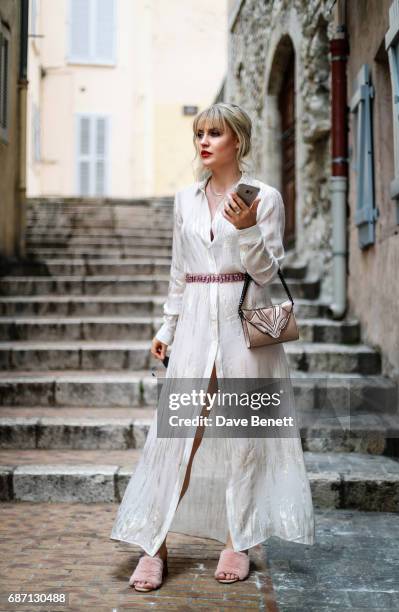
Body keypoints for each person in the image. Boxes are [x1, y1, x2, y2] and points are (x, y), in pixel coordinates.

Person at [110, 102, 315, 592]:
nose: (203, 141)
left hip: (245, 327)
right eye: (199, 132)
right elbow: (179, 272)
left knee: (247, 438)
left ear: (237, 141)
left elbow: (268, 273)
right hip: (197, 323)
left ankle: (237, 541)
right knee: (176, 437)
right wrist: (167, 329)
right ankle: (153, 545)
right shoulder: (184, 199)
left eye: (214, 133)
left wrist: (246, 228)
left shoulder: (263, 197)